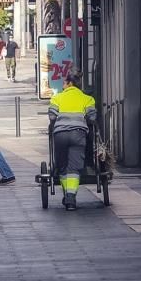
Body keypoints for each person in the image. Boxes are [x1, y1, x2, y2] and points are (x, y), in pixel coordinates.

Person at [47, 71, 97, 211]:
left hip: (60, 134)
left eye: (64, 82)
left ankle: (67, 196)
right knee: (74, 168)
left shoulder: (57, 98)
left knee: (62, 166)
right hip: (78, 134)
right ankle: (71, 198)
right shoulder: (87, 99)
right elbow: (92, 117)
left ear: (69, 83)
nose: (62, 85)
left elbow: (52, 116)